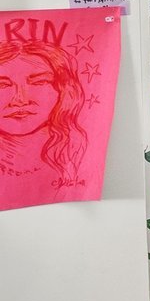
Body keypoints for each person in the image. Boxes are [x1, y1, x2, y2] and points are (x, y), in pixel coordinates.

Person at [0, 39, 88, 204]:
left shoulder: (77, 153)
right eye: (3, 85)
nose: (20, 100)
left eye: (38, 82)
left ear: (62, 90)